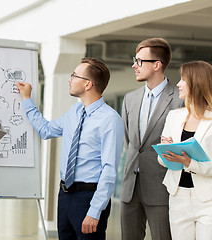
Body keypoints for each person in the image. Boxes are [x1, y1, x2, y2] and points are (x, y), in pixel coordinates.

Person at [17, 57, 123, 240]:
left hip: (89, 198)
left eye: (74, 75)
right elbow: (46, 130)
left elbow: (109, 170)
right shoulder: (75, 112)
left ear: (88, 84)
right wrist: (27, 99)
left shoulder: (110, 119)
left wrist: (94, 211)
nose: (70, 79)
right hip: (65, 196)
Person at [120, 37, 184, 240]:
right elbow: (129, 143)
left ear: (157, 65)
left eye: (139, 61)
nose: (134, 65)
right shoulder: (130, 99)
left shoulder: (180, 99)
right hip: (130, 189)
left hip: (161, 189)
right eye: (134, 59)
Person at [158, 61, 212, 240]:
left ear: (197, 84)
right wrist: (166, 152)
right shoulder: (174, 116)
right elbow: (162, 160)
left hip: (207, 199)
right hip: (178, 195)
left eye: (183, 80)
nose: (178, 84)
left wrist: (189, 163)